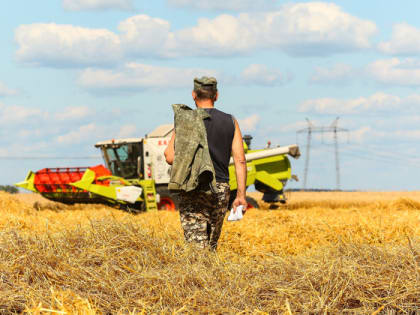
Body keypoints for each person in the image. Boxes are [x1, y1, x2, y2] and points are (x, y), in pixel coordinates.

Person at [164, 76, 247, 250]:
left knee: (196, 247)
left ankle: (200, 276)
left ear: (194, 95)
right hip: (220, 188)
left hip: (192, 188)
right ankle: (211, 274)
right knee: (211, 245)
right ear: (216, 96)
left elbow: (169, 156)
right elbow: (240, 160)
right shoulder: (230, 121)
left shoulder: (186, 120)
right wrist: (240, 196)